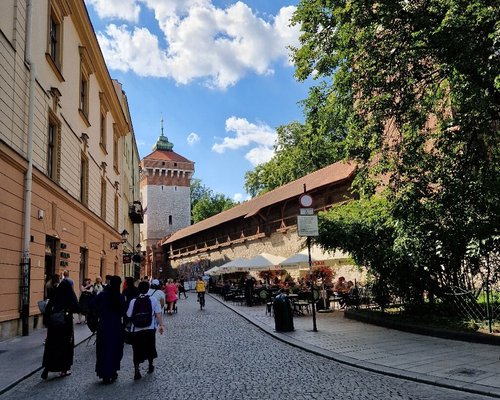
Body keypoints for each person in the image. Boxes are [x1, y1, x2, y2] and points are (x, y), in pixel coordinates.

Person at [91, 275, 126, 384]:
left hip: (103, 324)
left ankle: (104, 373)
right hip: (116, 326)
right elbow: (123, 312)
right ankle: (113, 371)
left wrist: (98, 315)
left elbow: (92, 305)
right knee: (115, 349)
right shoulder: (120, 297)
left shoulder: (102, 295)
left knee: (103, 349)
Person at [41, 279, 79, 379]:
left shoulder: (55, 294)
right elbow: (76, 307)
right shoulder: (69, 295)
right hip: (65, 325)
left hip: (53, 327)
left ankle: (48, 367)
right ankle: (64, 370)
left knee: (52, 346)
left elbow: (47, 310)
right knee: (65, 347)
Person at [126, 281, 164, 380]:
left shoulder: (133, 301)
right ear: (148, 289)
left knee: (136, 349)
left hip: (137, 329)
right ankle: (150, 365)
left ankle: (137, 370)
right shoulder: (153, 299)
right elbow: (158, 314)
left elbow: (129, 315)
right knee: (150, 346)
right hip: (150, 327)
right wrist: (161, 325)